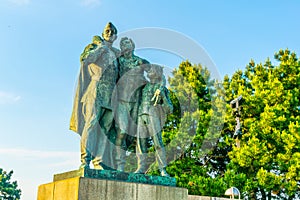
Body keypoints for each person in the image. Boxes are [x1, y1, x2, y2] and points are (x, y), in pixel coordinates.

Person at [70, 22, 120, 170]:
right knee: (91, 125)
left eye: (112, 32)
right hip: (95, 89)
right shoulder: (95, 46)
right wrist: (101, 48)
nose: (110, 33)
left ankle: (99, 162)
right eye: (107, 31)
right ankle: (85, 161)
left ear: (116, 36)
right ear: (103, 33)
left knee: (105, 129)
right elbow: (86, 60)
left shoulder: (116, 53)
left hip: (111, 94)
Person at [114, 37, 150, 171]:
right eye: (122, 44)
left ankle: (141, 167)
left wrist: (158, 87)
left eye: (127, 43)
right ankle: (120, 166)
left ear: (133, 46)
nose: (125, 46)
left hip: (137, 102)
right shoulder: (118, 62)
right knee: (122, 131)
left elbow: (157, 74)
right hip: (122, 102)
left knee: (139, 135)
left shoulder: (140, 62)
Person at [135, 64, 173, 176]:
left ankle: (162, 169)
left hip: (153, 115)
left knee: (157, 142)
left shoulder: (162, 89)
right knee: (140, 143)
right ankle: (141, 167)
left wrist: (163, 97)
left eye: (152, 70)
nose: (149, 71)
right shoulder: (144, 87)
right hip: (141, 114)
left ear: (157, 73)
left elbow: (169, 109)